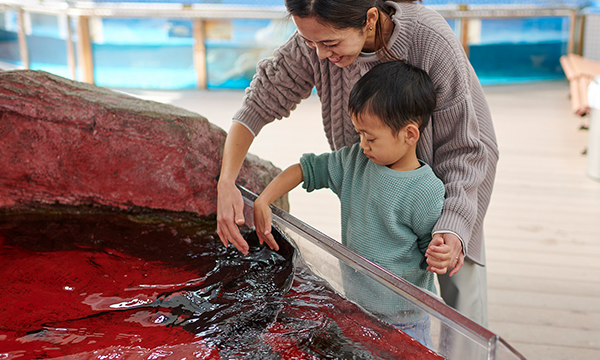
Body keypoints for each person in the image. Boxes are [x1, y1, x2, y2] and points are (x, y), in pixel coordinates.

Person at [216, 0, 499, 327]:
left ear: (370, 19)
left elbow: (465, 149)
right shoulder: (317, 38)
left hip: (455, 169)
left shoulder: (429, 38)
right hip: (373, 171)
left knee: (456, 278)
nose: (320, 55)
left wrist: (453, 225)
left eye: (330, 43)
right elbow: (258, 103)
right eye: (310, 42)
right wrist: (227, 181)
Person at [253, 60, 447, 347]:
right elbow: (306, 169)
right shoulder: (354, 161)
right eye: (359, 134)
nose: (363, 144)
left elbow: (431, 255)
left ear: (409, 134)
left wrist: (441, 256)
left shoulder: (426, 190)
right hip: (356, 307)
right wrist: (264, 198)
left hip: (405, 319)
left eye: (370, 137)